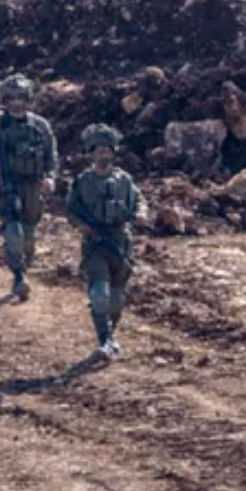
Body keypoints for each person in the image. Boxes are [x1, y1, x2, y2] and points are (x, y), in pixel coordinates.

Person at [66, 124, 145, 361]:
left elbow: (139, 200)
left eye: (107, 151)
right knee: (99, 293)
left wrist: (141, 213)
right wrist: (79, 224)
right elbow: (71, 209)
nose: (103, 155)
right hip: (95, 244)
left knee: (117, 300)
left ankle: (111, 335)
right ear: (91, 153)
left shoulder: (124, 180)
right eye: (98, 151)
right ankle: (105, 340)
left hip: (120, 243)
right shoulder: (83, 181)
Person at [0, 74, 57, 300]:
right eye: (10, 97)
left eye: (21, 97)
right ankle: (18, 275)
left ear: (28, 98)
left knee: (29, 234)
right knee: (14, 231)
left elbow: (51, 156)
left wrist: (50, 177)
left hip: (33, 185)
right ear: (4, 100)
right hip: (7, 185)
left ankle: (24, 268)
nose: (16, 102)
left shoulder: (40, 126)